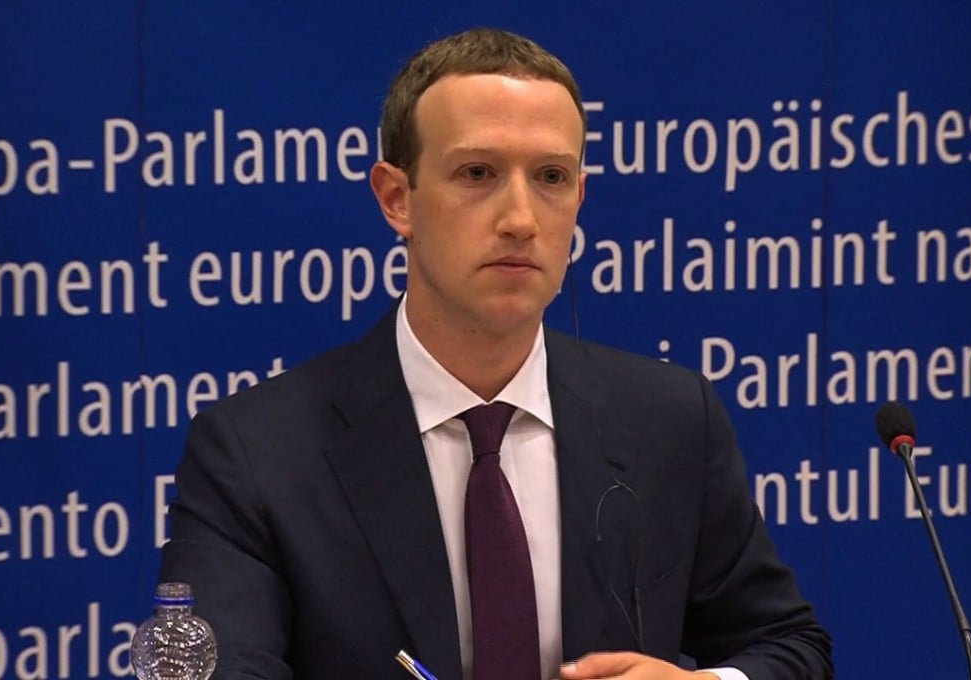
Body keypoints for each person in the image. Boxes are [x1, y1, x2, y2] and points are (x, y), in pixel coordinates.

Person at [159, 28, 833, 680]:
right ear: (398, 199)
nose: (520, 217)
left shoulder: (670, 420)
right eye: (477, 172)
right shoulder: (255, 455)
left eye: (550, 177)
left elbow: (788, 646)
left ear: (579, 197)